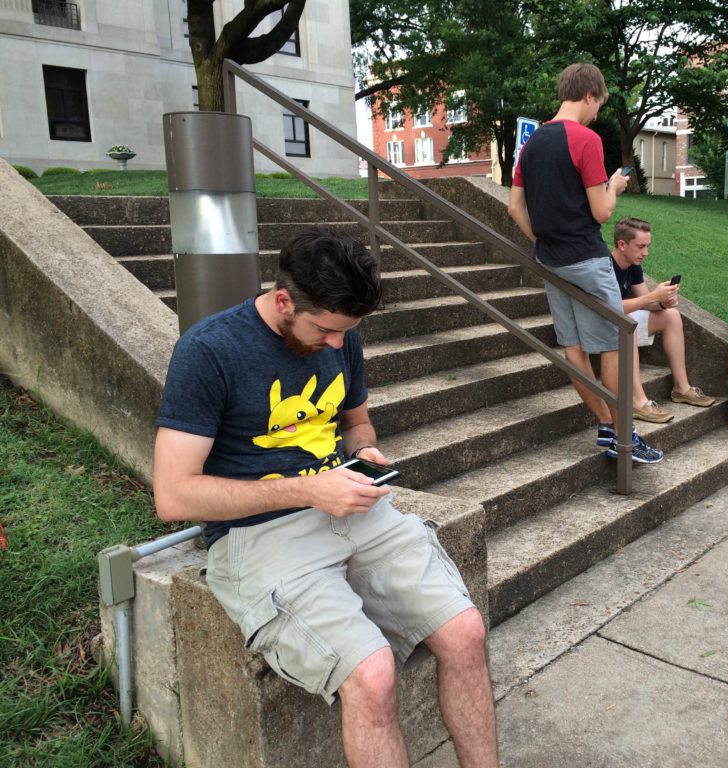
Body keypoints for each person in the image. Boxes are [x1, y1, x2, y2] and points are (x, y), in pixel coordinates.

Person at [152, 227, 498, 768]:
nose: (338, 344)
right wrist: (306, 489)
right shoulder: (209, 351)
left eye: (347, 332)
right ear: (284, 302)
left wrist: (365, 453)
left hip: (351, 507)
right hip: (260, 535)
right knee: (373, 675)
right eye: (326, 330)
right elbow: (173, 495)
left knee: (466, 632)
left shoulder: (340, 334)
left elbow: (356, 423)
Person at [507, 62, 663, 464]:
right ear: (589, 95)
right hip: (588, 260)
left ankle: (608, 426)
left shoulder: (532, 143)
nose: (596, 114)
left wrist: (542, 242)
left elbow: (514, 207)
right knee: (614, 344)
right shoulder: (585, 139)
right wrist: (614, 186)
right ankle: (624, 436)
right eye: (598, 105)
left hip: (551, 261)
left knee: (574, 348)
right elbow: (602, 212)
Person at [609, 217, 715, 423]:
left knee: (671, 315)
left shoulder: (633, 265)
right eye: (641, 246)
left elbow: (646, 301)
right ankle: (637, 402)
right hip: (599, 325)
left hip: (619, 320)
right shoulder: (605, 266)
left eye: (647, 246)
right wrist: (652, 297)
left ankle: (681, 388)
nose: (646, 253)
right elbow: (610, 307)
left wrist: (663, 302)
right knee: (626, 322)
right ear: (622, 244)